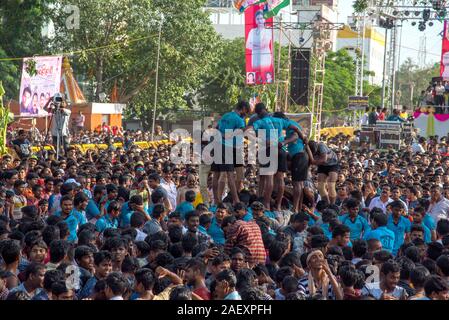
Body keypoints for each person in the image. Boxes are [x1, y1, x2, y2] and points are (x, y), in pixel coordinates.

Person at [308, 140, 339, 205]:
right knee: (320, 187)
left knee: (331, 185)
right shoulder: (307, 149)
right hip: (322, 166)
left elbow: (324, 160)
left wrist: (313, 162)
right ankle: (326, 203)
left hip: (333, 164)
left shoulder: (321, 146)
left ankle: (332, 205)